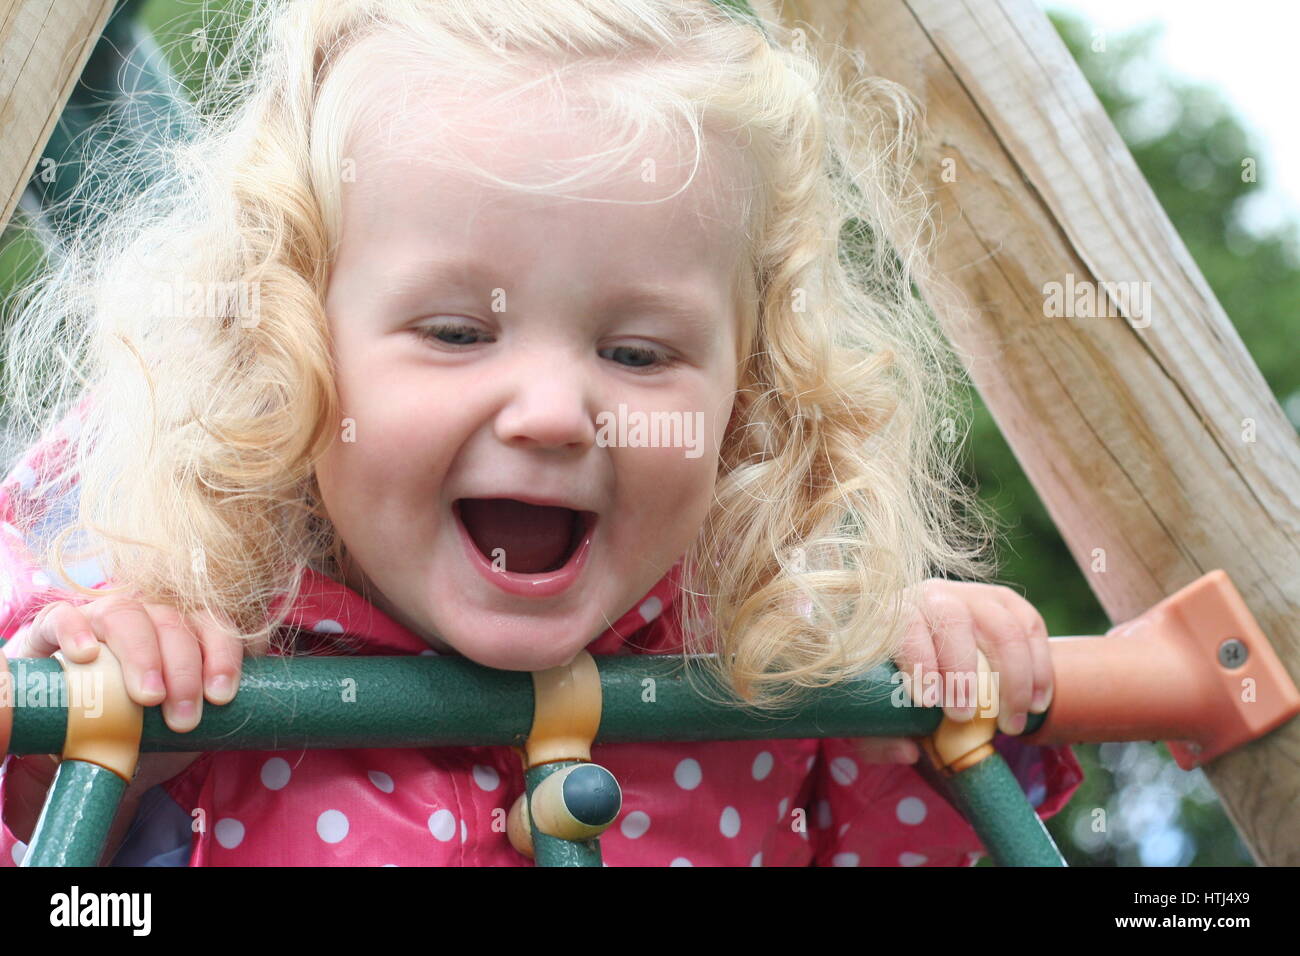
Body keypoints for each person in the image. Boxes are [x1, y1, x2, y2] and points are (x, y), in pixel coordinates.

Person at [0, 0, 1081, 866]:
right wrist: (62, 749)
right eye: (459, 331)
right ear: (286, 351)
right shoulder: (194, 649)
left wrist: (919, 721)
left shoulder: (766, 669)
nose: (558, 412)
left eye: (639, 353)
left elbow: (888, 843)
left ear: (748, 395)